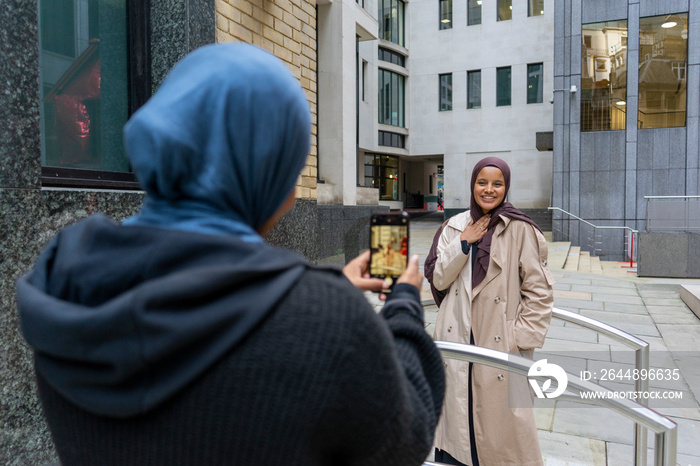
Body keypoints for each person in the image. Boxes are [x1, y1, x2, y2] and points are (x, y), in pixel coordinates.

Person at [16, 43, 444, 466]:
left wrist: (317, 290)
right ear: (263, 176)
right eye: (289, 167)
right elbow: (405, 439)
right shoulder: (326, 320)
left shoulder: (66, 278)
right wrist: (403, 305)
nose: (293, 193)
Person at [430, 157, 554, 466]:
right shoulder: (455, 225)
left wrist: (518, 338)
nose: (489, 190)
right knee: (458, 419)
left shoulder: (521, 229)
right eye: (482, 183)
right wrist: (463, 243)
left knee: (502, 432)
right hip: (459, 336)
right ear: (472, 185)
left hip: (499, 343)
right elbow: (439, 278)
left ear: (506, 187)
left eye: (497, 184)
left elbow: (539, 292)